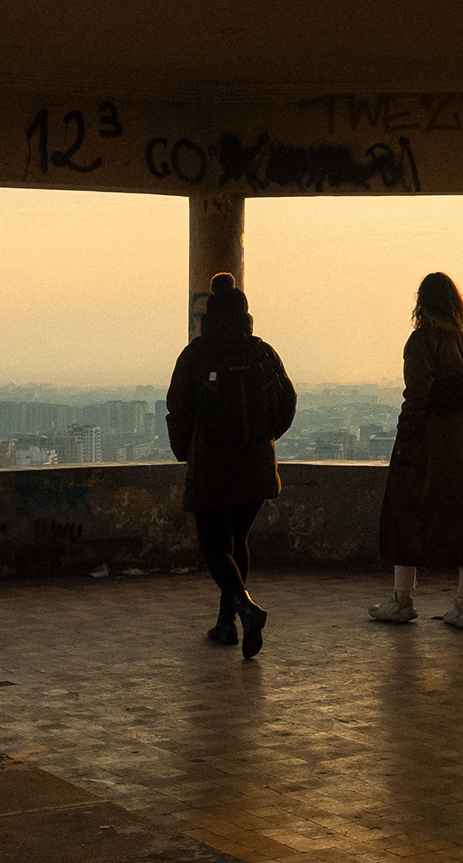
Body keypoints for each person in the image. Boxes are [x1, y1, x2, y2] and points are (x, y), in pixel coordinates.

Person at [167, 272, 296, 660]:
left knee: (213, 546)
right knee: (237, 541)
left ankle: (244, 607)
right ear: (245, 315)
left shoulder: (196, 355)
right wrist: (265, 438)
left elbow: (178, 408)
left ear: (208, 316)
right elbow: (287, 401)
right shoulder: (264, 353)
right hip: (256, 467)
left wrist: (186, 452)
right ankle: (226, 624)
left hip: (212, 467)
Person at [370, 272, 463, 629]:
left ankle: (402, 598)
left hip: (430, 441)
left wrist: (407, 437)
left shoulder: (422, 342)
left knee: (406, 510)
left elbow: (417, 395)